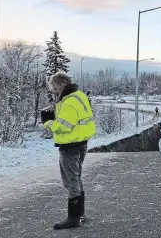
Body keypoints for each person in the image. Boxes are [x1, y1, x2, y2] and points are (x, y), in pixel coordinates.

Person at [42, 71, 96, 230]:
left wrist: (48, 122)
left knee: (70, 180)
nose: (54, 91)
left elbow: (63, 126)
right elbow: (75, 119)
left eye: (54, 87)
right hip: (81, 143)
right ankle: (80, 214)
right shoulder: (79, 95)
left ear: (62, 84)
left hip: (70, 146)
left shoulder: (69, 101)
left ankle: (73, 218)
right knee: (77, 177)